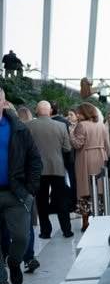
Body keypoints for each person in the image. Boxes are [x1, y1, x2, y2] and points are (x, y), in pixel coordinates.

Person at [0, 91, 42, 284]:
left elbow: (35, 159)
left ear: (3, 102)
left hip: (16, 192)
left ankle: (15, 262)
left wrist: (30, 189)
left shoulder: (18, 128)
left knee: (21, 237)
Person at [27, 101, 73, 238]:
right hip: (57, 168)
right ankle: (66, 230)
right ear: (50, 111)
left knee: (41, 202)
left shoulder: (28, 126)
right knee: (61, 200)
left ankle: (45, 231)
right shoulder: (61, 126)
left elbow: (26, 148)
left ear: (36, 110)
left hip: (37, 170)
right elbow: (67, 148)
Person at [71, 103, 110, 232]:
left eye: (79, 112)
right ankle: (101, 218)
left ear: (84, 113)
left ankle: (85, 222)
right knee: (100, 189)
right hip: (101, 156)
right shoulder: (101, 125)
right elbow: (107, 144)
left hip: (86, 159)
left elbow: (78, 144)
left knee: (85, 191)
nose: (77, 115)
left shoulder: (81, 125)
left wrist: (70, 133)